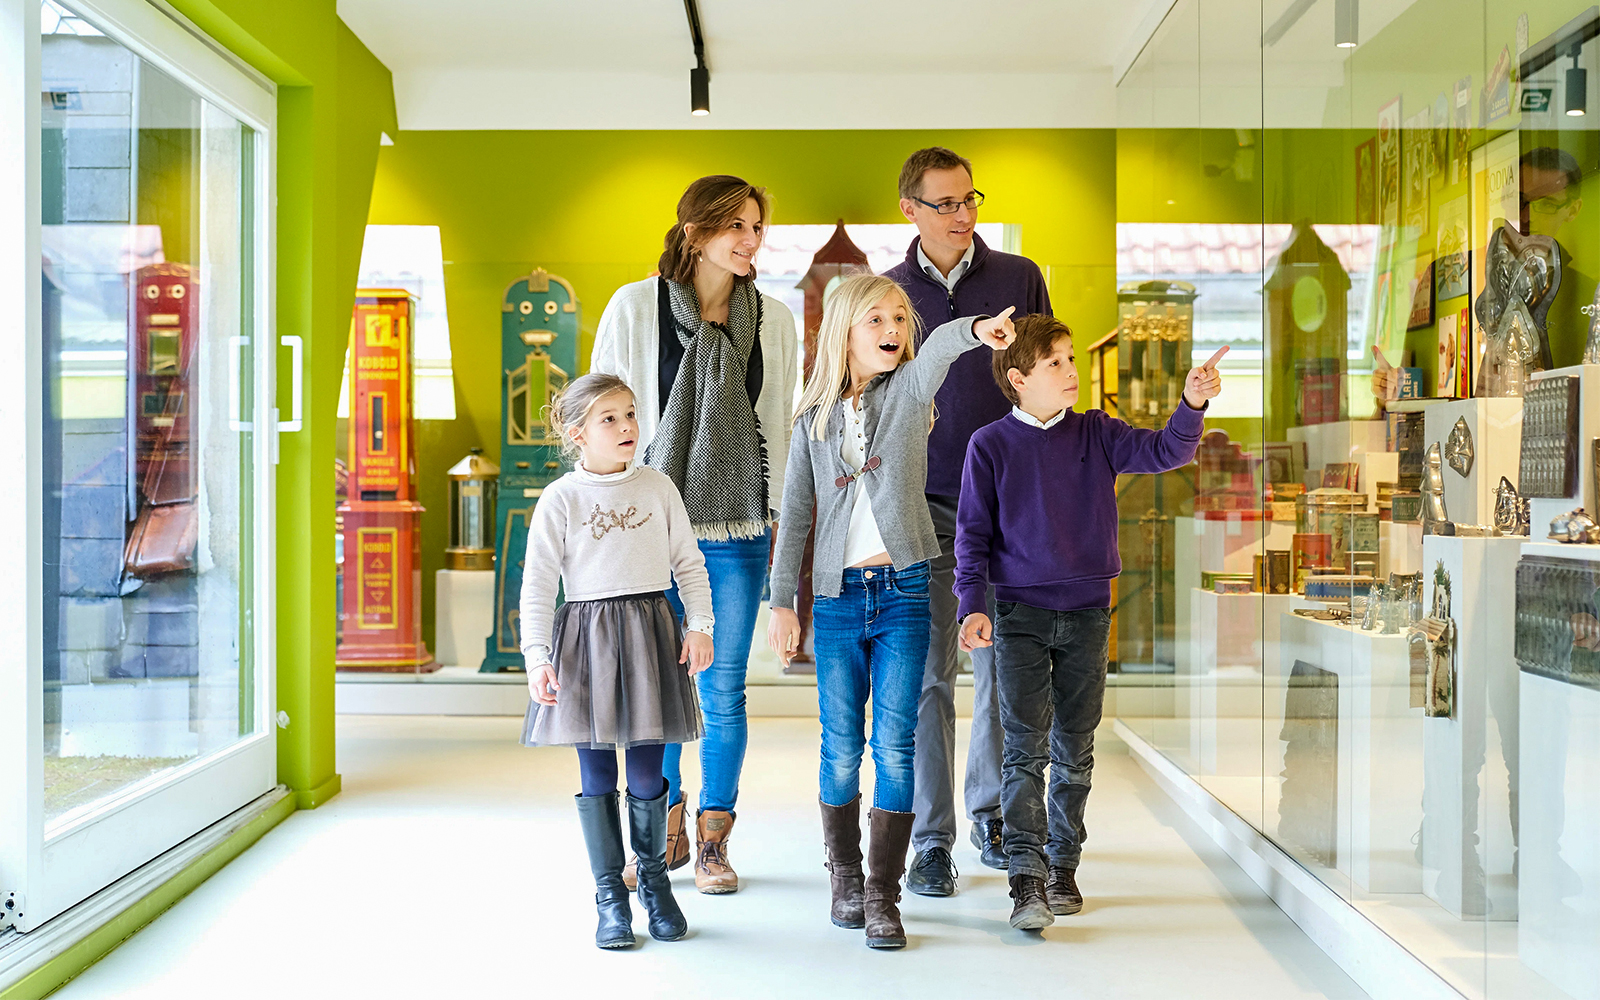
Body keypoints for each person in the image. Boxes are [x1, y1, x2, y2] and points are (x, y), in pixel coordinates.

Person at [768, 273, 1017, 949]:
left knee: (895, 745)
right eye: (875, 319)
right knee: (842, 746)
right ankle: (843, 875)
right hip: (838, 601)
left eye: (899, 319)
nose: (892, 330)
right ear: (845, 331)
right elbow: (793, 518)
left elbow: (937, 349)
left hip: (906, 591)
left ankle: (883, 893)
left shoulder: (909, 394)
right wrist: (782, 604)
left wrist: (975, 332)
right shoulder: (811, 420)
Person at [955, 316, 1223, 930]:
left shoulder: (1098, 433)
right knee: (1023, 750)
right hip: (1017, 614)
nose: (1072, 371)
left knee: (1075, 749)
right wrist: (971, 604)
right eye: (1056, 363)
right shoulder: (989, 446)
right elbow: (972, 535)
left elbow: (1168, 450)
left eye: (1071, 358)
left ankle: (1062, 866)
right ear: (1018, 379)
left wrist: (1191, 403)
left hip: (1086, 614)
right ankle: (1024, 879)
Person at [590, 174, 799, 895]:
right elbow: (601, 413)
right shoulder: (633, 307)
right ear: (694, 233)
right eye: (735, 226)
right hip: (648, 526)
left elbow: (780, 427)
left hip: (738, 527)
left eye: (756, 226)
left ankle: (715, 838)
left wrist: (781, 532)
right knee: (661, 689)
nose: (750, 239)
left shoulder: (773, 319)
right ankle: (665, 823)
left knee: (724, 689)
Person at [882, 146, 1052, 894]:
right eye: (945, 204)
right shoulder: (883, 293)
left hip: (1008, 508)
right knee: (927, 680)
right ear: (909, 210)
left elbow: (1048, 380)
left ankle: (990, 816)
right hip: (920, 506)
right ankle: (930, 840)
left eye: (970, 200)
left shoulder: (1019, 278)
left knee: (1000, 673)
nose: (962, 216)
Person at [519, 373, 715, 950]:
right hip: (585, 641)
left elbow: (689, 562)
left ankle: (654, 883)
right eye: (610, 418)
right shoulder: (562, 499)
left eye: (631, 414)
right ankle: (610, 895)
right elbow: (537, 586)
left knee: (649, 772)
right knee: (597, 771)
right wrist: (538, 657)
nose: (628, 426)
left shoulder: (657, 487)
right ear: (577, 433)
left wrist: (698, 625)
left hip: (651, 632)